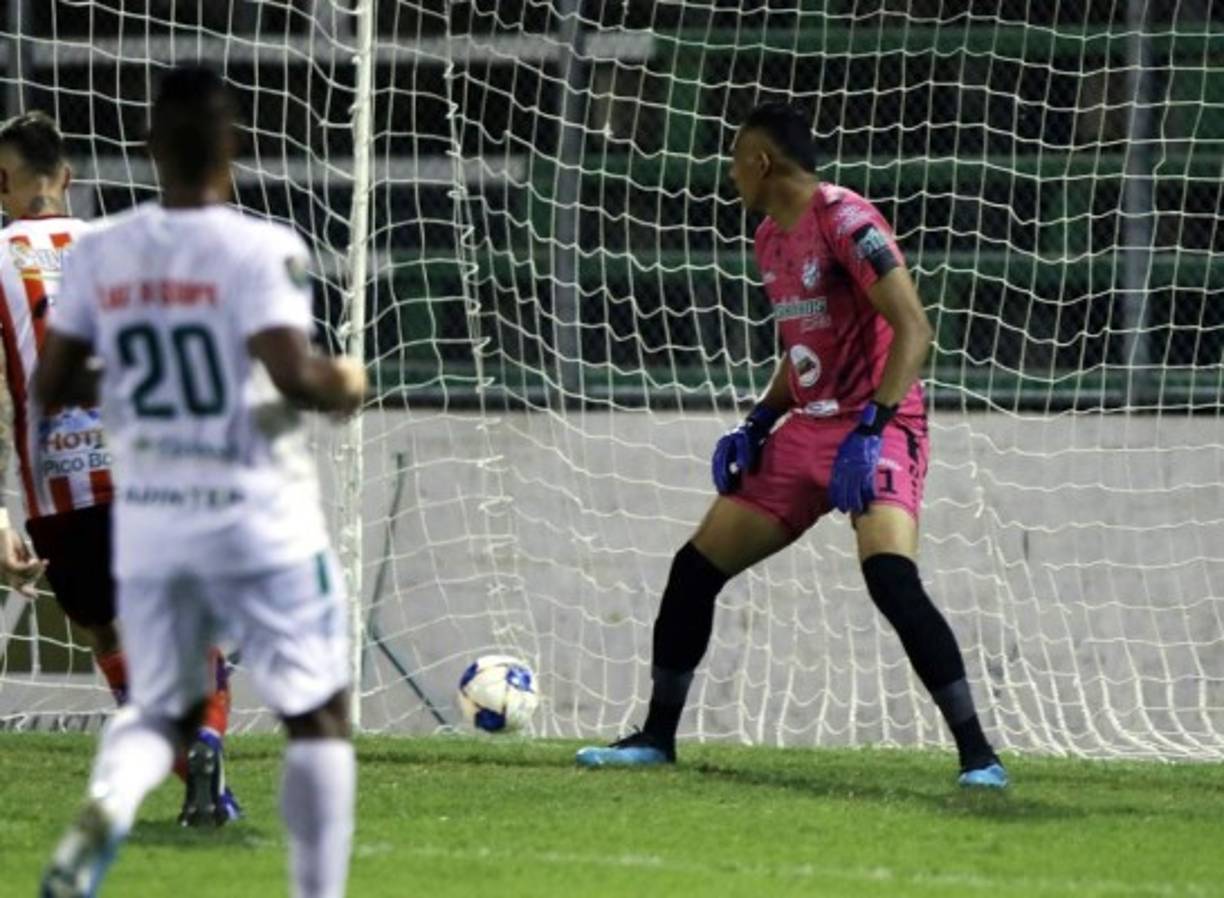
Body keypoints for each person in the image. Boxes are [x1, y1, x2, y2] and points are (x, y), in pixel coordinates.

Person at [575, 102, 1007, 788]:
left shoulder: (848, 222)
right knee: (694, 570)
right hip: (807, 426)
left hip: (879, 423)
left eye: (734, 161)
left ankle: (979, 755)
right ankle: (656, 737)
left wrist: (873, 429)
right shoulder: (769, 238)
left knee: (891, 579)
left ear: (761, 161)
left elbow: (915, 328)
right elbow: (807, 346)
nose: (730, 176)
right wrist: (757, 421)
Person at [36, 65, 366, 898]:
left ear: (148, 145)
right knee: (318, 714)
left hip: (153, 519)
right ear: (234, 145)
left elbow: (53, 383)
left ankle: (98, 824)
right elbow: (292, 376)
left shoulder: (100, 250)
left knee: (155, 709)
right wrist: (345, 381)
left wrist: (132, 382)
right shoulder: (261, 248)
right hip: (258, 517)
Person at [0, 110, 240, 825]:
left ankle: (191, 771)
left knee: (109, 636)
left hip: (60, 495)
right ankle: (206, 742)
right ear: (68, 178)